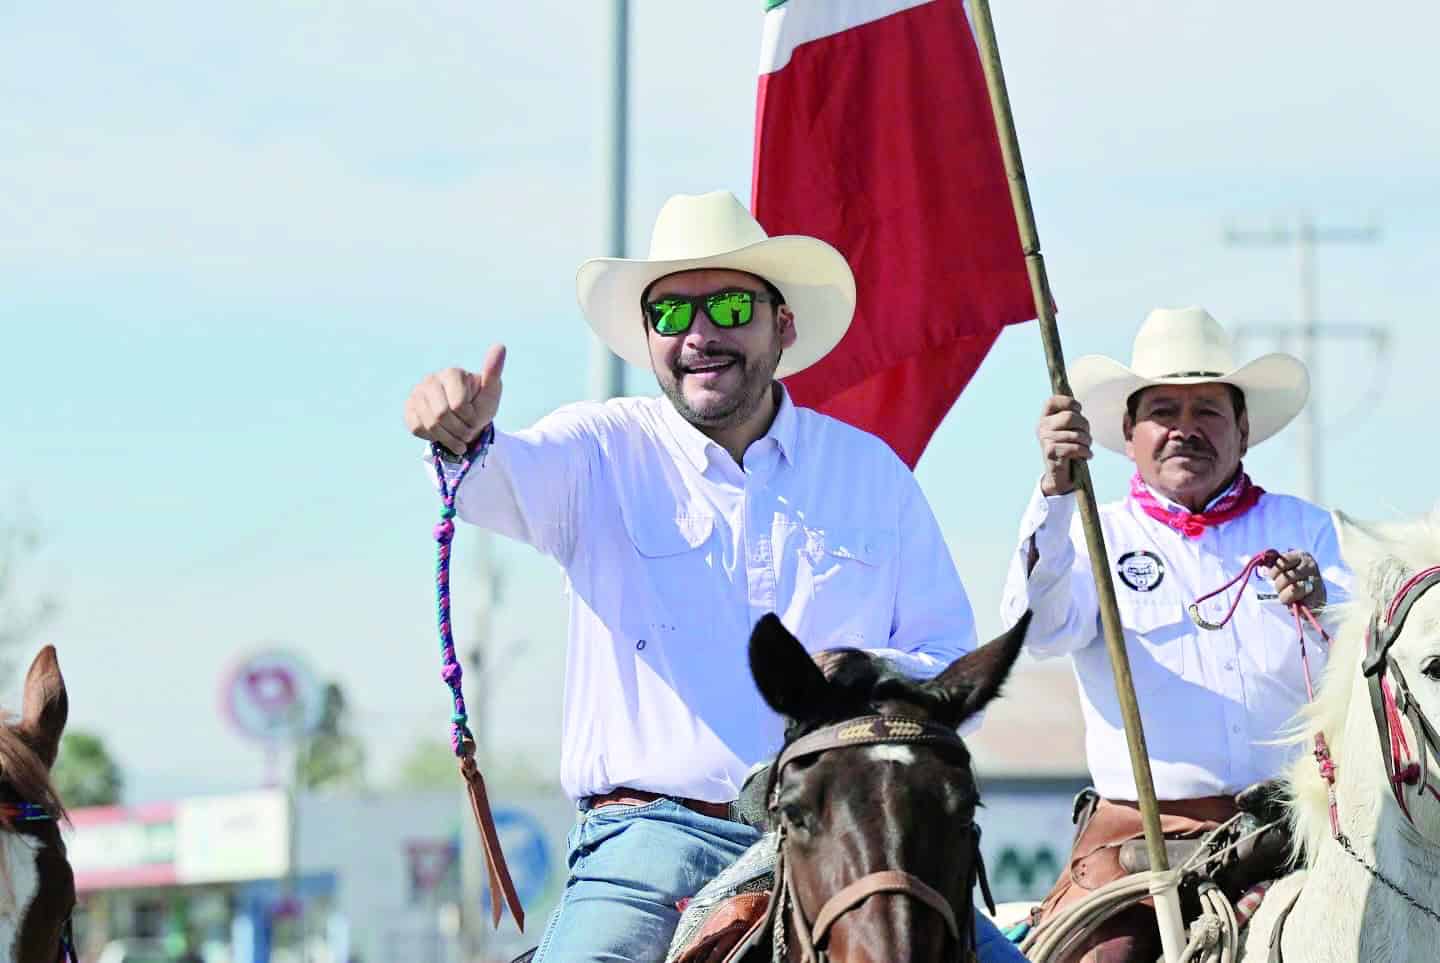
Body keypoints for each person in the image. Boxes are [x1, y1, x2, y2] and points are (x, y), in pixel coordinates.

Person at [405, 191, 1027, 961]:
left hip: (849, 833)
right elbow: (495, 479)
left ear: (783, 325)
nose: (700, 334)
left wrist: (866, 678)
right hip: (652, 839)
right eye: (671, 314)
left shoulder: (871, 473)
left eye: (731, 305)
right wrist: (462, 434)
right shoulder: (598, 450)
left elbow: (942, 663)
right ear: (648, 338)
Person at [999, 305, 1354, 961]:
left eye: (1207, 412)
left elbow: (1371, 649)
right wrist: (1052, 490)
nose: (1184, 431)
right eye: (1164, 411)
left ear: (1243, 429)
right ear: (1130, 431)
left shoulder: (1308, 530)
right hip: (1136, 841)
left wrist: (1325, 600)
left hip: (1290, 831)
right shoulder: (1090, 531)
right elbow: (1038, 630)